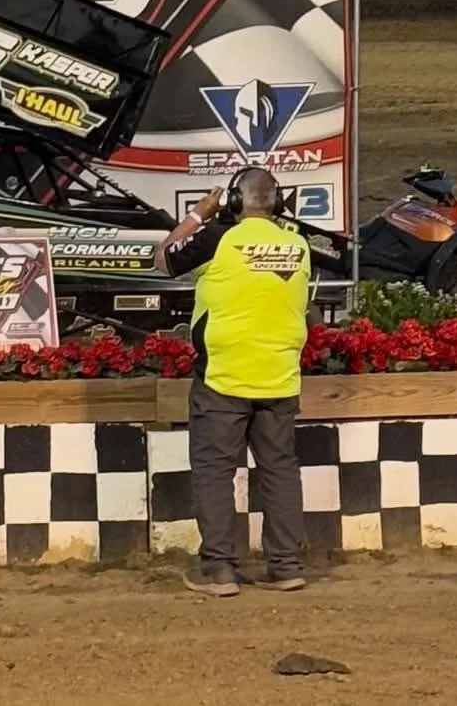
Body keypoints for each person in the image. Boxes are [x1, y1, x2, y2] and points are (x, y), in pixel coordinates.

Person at [156, 166, 342, 598]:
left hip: (223, 376)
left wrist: (199, 214)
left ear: (235, 201)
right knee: (279, 470)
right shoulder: (297, 244)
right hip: (279, 376)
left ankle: (219, 570)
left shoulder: (217, 237)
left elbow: (162, 258)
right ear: (277, 202)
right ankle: (286, 566)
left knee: (215, 472)